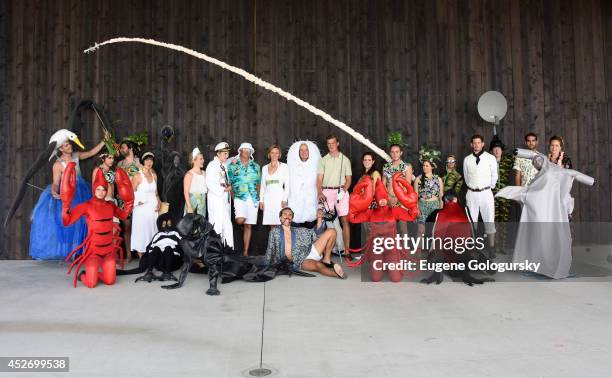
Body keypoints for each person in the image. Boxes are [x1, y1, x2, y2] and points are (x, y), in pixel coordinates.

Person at [496, 149, 595, 279]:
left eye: (538, 162)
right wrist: (519, 152)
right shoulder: (542, 174)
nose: (536, 164)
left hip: (553, 209)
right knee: (542, 236)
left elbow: (573, 173)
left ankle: (551, 266)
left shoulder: (551, 168)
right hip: (542, 208)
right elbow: (536, 159)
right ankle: (539, 265)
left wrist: (591, 181)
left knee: (552, 237)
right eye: (535, 163)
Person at [30, 132, 107, 260]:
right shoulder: (58, 164)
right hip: (69, 193)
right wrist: (55, 191)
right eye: (66, 145)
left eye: (69, 144)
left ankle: (82, 251)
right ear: (60, 149)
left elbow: (91, 152)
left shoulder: (76, 156)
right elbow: (56, 183)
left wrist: (104, 141)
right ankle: (71, 252)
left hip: (81, 190)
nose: (69, 146)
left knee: (84, 221)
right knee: (70, 221)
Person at [265, 207, 346, 279]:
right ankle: (336, 274)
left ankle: (326, 259)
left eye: (290, 215)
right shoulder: (274, 231)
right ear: (280, 217)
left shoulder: (298, 230)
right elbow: (270, 248)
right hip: (301, 261)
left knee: (332, 231)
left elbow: (315, 234)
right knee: (318, 266)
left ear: (292, 218)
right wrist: (267, 265)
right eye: (285, 214)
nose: (287, 216)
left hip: (311, 250)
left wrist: (319, 218)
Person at [463, 134, 498, 256]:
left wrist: (488, 187)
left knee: (489, 220)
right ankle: (471, 249)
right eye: (474, 143)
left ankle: (491, 248)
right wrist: (473, 187)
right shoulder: (467, 159)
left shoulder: (490, 158)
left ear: (483, 144)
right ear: (471, 144)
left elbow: (495, 175)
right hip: (472, 193)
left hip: (486, 192)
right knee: (471, 222)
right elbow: (466, 177)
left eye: (479, 143)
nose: (477, 145)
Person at [317, 135, 352, 252]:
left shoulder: (345, 159)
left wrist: (344, 190)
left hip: (341, 192)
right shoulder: (323, 160)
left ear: (337, 143)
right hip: (327, 192)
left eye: (333, 143)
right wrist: (319, 192)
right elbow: (319, 179)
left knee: (344, 221)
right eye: (328, 143)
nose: (331, 145)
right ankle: (333, 249)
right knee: (329, 222)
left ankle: (346, 250)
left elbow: (348, 179)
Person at [228, 142, 261, 256]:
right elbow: (229, 184)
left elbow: (258, 184)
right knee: (240, 220)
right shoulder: (233, 166)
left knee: (248, 225)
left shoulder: (256, 166)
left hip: (252, 198)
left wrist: (257, 198)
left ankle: (245, 252)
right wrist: (233, 198)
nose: (247, 152)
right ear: (240, 151)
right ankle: (241, 224)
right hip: (239, 197)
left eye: (249, 150)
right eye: (244, 150)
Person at [131, 152, 161, 259]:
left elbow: (156, 193)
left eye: (151, 160)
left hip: (152, 208)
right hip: (141, 209)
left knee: (152, 231)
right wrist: (138, 200)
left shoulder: (154, 176)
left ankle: (152, 257)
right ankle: (142, 258)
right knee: (142, 232)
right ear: (143, 161)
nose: (149, 162)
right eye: (147, 160)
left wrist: (159, 202)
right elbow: (131, 193)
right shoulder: (138, 176)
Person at [117, 140, 142, 262]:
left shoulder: (138, 163)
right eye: (121, 148)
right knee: (126, 228)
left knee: (139, 226)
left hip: (136, 198)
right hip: (123, 200)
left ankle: (141, 253)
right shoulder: (119, 164)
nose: (121, 150)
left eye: (123, 147)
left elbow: (145, 176)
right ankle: (128, 255)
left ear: (130, 148)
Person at [205, 142, 234, 249]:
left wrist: (228, 186)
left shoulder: (224, 166)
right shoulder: (212, 166)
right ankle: (215, 251)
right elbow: (210, 183)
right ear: (218, 154)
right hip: (216, 200)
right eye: (224, 153)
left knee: (227, 226)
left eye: (227, 153)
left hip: (224, 201)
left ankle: (228, 250)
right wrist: (224, 189)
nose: (226, 156)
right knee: (217, 226)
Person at [382, 144, 414, 236]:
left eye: (397, 152)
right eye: (392, 152)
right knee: (389, 226)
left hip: (401, 199)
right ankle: (392, 249)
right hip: (388, 199)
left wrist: (397, 198)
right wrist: (388, 197)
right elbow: (383, 185)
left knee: (402, 226)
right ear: (390, 153)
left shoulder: (407, 166)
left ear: (401, 153)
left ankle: (405, 249)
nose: (395, 154)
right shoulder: (386, 167)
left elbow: (408, 185)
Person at [489, 136, 514, 255]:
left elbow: (519, 158)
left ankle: (502, 247)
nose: (497, 150)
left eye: (499, 148)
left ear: (502, 150)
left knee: (504, 221)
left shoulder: (508, 160)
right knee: (493, 221)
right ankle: (494, 246)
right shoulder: (488, 161)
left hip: (504, 195)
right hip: (492, 195)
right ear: (491, 151)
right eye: (494, 148)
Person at [287, 141, 321, 225]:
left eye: (306, 150)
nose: (304, 152)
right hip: (296, 202)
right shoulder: (291, 166)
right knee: (296, 225)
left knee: (311, 225)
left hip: (311, 201)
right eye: (301, 150)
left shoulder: (316, 166)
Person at [260, 144, 289, 227]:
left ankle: (282, 240)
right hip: (268, 198)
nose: (274, 155)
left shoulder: (284, 166)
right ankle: (273, 240)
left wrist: (284, 199)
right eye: (272, 153)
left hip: (279, 198)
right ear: (269, 154)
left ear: (279, 154)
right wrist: (261, 200)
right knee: (271, 223)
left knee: (280, 222)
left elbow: (287, 185)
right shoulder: (264, 168)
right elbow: (262, 186)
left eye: (277, 153)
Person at [414, 160, 443, 242]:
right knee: (421, 230)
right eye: (423, 165)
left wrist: (441, 209)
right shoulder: (418, 179)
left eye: (427, 166)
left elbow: (441, 195)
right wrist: (416, 208)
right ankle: (417, 251)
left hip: (435, 206)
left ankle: (434, 250)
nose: (424, 167)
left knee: (435, 230)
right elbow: (415, 196)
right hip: (422, 205)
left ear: (432, 167)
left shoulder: (438, 179)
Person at [183, 147, 207, 216]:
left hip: (202, 205)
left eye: (203, 158)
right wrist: (189, 207)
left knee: (200, 225)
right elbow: (186, 192)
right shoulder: (189, 174)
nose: (203, 160)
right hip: (192, 204)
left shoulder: (204, 173)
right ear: (194, 160)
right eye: (200, 159)